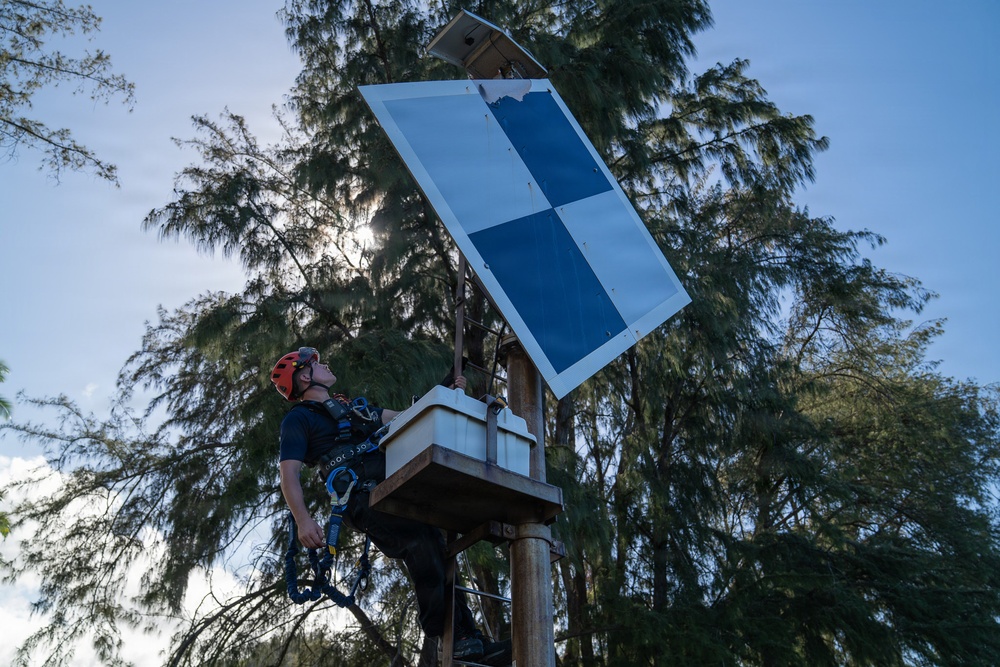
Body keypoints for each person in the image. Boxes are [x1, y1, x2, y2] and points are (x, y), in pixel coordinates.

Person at [272, 347, 510, 665]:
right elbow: (288, 475)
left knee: (437, 546)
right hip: (362, 498)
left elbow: (408, 418)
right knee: (421, 544)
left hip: (396, 488)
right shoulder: (298, 419)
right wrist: (303, 520)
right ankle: (443, 632)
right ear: (304, 376)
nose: (324, 364)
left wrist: (444, 393)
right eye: (316, 364)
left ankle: (468, 637)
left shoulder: (355, 410)